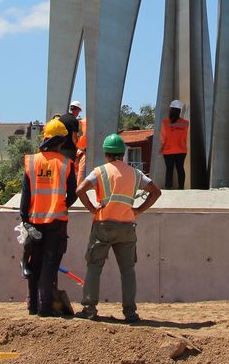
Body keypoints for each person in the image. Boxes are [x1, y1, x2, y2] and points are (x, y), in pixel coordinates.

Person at [75, 133, 161, 323]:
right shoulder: (135, 173)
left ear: (106, 153)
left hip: (103, 224)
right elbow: (156, 192)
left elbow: (80, 190)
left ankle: (89, 309)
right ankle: (130, 313)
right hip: (127, 226)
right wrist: (138, 210)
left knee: (94, 266)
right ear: (123, 153)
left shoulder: (99, 172)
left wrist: (92, 209)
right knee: (128, 270)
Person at [20, 118, 78, 317]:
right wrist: (61, 205)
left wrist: (25, 221)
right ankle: (45, 308)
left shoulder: (31, 162)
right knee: (49, 264)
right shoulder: (66, 164)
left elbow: (25, 196)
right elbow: (73, 194)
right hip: (56, 222)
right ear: (62, 141)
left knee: (33, 264)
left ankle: (33, 306)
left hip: (34, 221)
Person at [160, 99, 189, 189]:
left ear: (171, 110)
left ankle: (168, 187)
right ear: (179, 111)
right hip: (181, 150)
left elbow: (162, 138)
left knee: (169, 169)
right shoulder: (185, 123)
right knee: (180, 168)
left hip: (168, 150)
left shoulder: (165, 123)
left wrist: (161, 147)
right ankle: (181, 187)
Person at [68, 100, 87, 174]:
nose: (78, 113)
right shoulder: (74, 121)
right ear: (76, 110)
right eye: (78, 111)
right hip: (71, 150)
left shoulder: (63, 118)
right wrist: (80, 148)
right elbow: (74, 138)